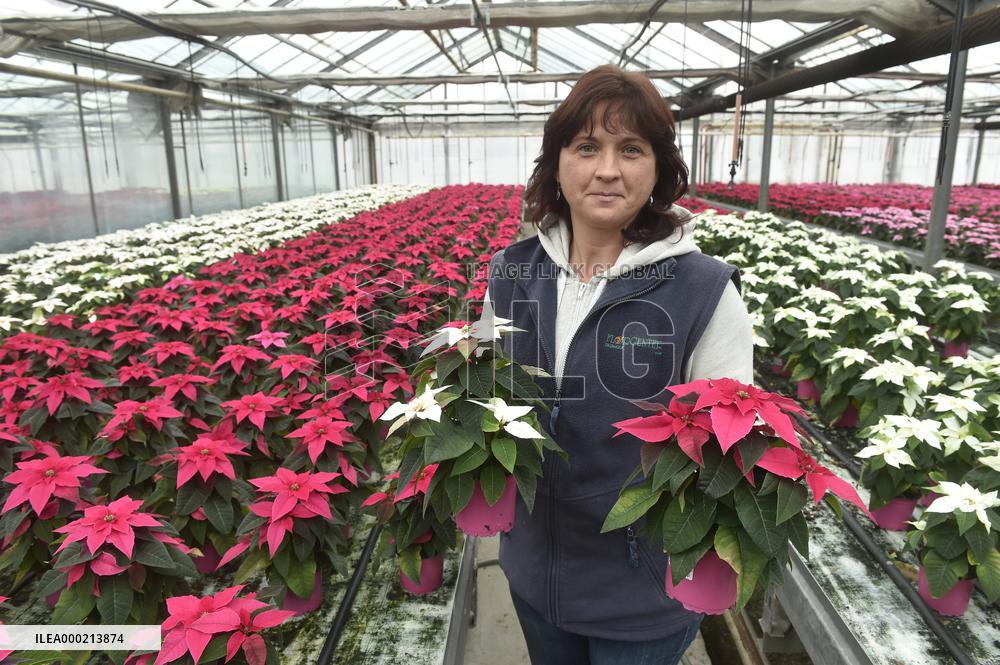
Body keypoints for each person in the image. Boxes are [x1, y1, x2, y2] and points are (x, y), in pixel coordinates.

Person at [483, 65, 754, 665]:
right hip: (534, 574)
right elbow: (491, 399)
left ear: (658, 168)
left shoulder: (702, 289)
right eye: (587, 147)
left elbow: (728, 449)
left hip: (641, 594)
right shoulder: (509, 272)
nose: (608, 169)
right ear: (556, 163)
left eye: (631, 148)